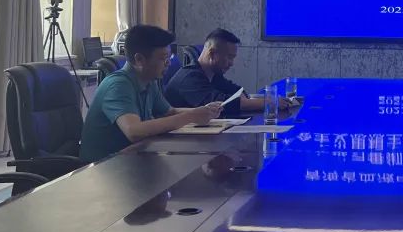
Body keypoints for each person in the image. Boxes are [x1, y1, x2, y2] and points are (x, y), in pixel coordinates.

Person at [79, 25, 220, 163]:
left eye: (169, 57)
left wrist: (203, 111)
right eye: (163, 58)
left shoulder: (149, 80)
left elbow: (169, 112)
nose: (168, 63)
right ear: (139, 59)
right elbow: (134, 131)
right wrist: (190, 117)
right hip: (102, 168)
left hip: (132, 158)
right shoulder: (118, 85)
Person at [165, 28, 285, 116]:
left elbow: (237, 91)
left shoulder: (213, 75)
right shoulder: (189, 79)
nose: (231, 63)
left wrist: (249, 101)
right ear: (212, 53)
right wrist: (270, 102)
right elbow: (222, 105)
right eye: (229, 57)